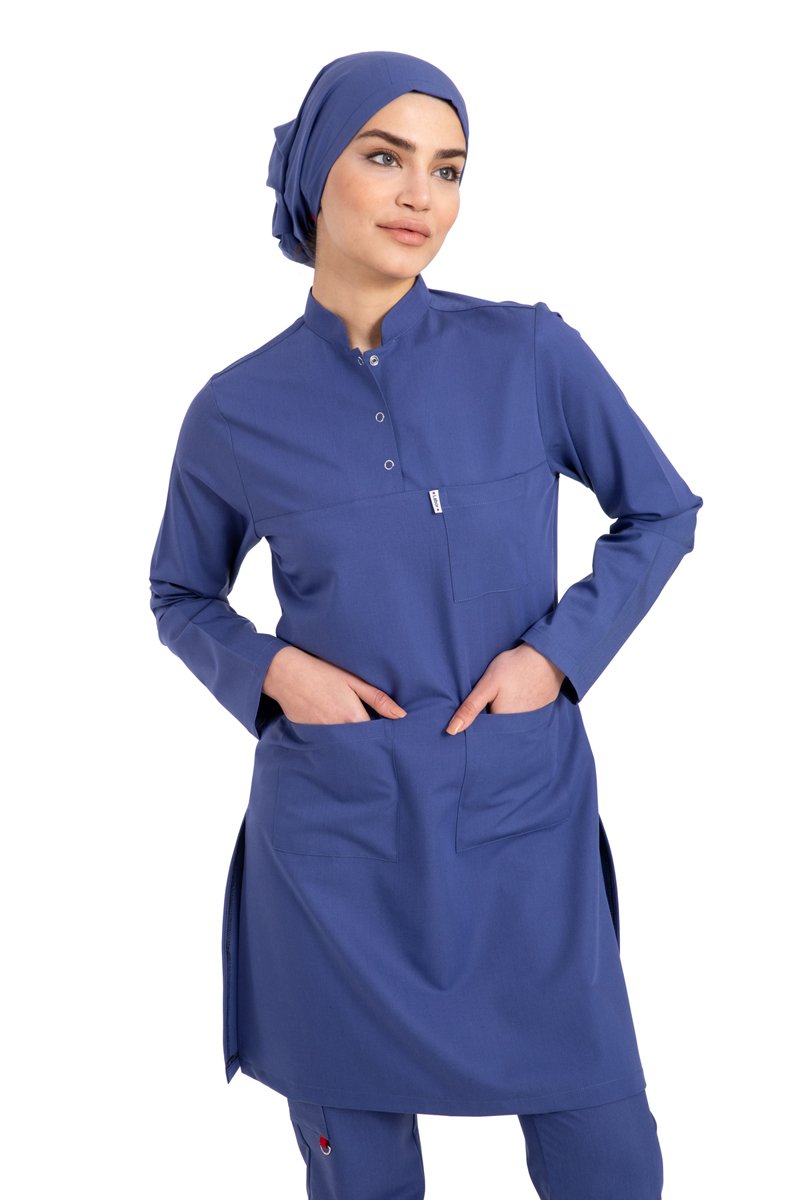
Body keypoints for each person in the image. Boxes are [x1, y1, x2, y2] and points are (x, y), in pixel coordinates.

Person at [149, 49, 702, 1200]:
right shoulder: (235, 411)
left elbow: (660, 511)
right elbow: (180, 593)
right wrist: (274, 671)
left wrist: (553, 657)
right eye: (384, 157)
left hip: (521, 823)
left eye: (447, 169)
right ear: (315, 173)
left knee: (607, 1159)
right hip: (337, 850)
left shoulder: (529, 354)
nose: (420, 196)